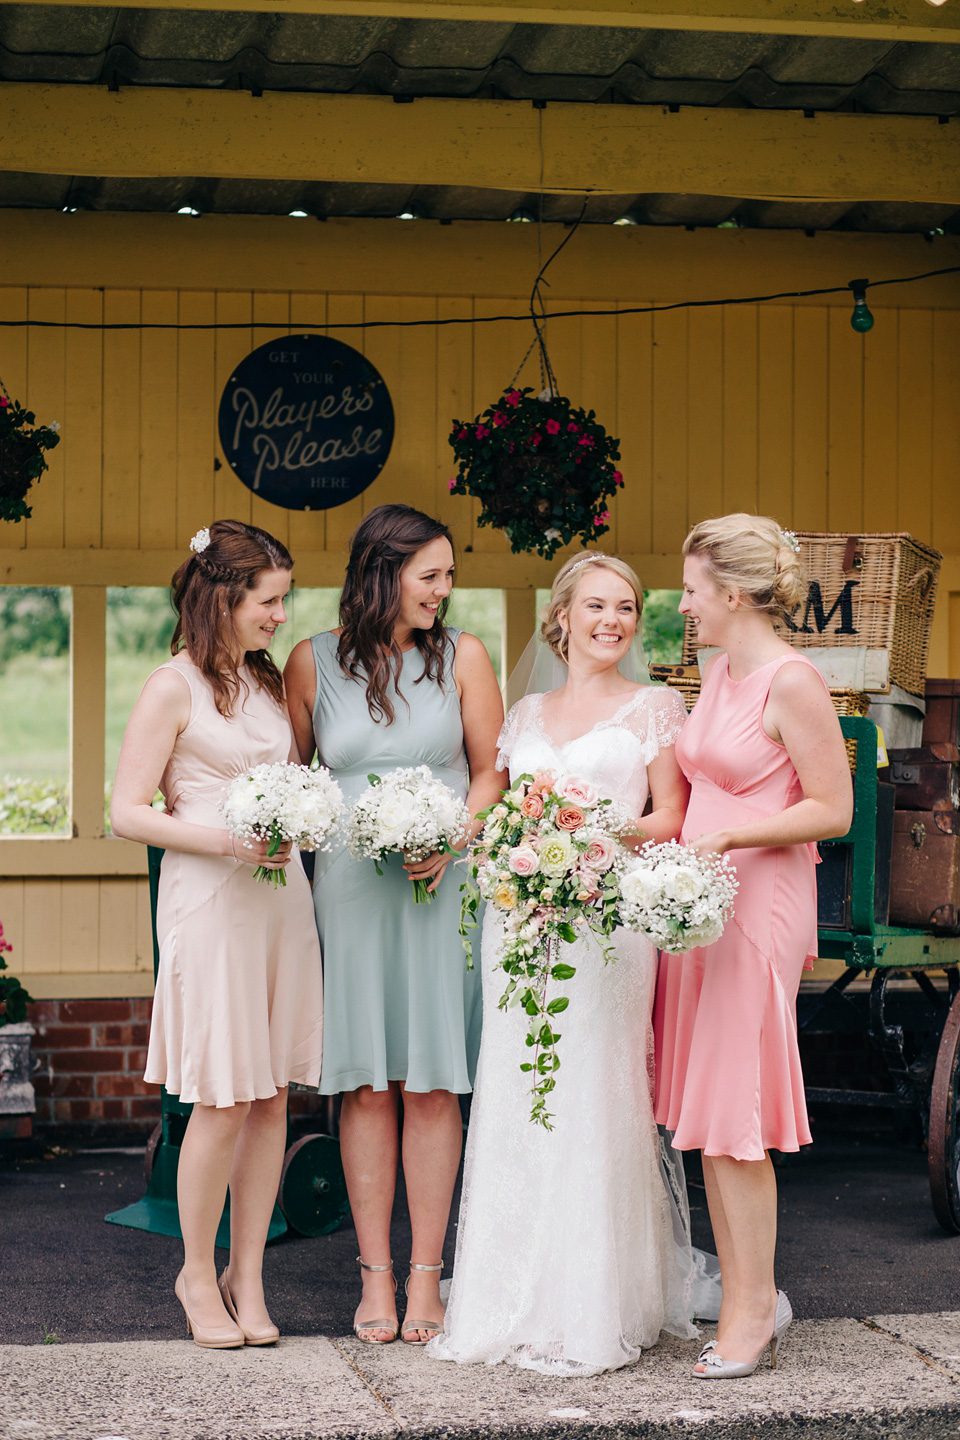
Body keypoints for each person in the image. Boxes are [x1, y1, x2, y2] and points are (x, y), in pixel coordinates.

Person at [429, 551, 712, 1378]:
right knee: (518, 1088)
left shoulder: (655, 706)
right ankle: (510, 1294)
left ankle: (598, 1300)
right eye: (595, 606)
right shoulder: (522, 714)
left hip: (609, 922)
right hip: (527, 925)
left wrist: (591, 841)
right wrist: (518, 850)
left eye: (626, 608)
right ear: (562, 616)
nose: (612, 621)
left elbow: (669, 818)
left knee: (594, 1092)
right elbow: (506, 814)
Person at [284, 503, 505, 1346]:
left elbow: (489, 774)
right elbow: (297, 777)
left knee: (434, 1080)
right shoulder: (311, 661)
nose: (444, 592)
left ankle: (427, 1279)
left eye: (448, 576)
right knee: (366, 1080)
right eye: (431, 576)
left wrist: (452, 836)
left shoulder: (464, 657)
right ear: (382, 572)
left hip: (443, 884)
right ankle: (374, 1275)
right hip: (350, 888)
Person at [111, 519, 323, 1350]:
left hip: (279, 902)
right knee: (222, 1097)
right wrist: (230, 840)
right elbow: (126, 811)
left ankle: (250, 1273)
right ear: (224, 598)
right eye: (269, 600)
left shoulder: (268, 684)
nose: (280, 614)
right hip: (211, 897)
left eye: (283, 599)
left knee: (271, 1094)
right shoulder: (173, 686)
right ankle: (196, 1273)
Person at [654, 514, 853, 1380]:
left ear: (733, 594)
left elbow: (833, 809)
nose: (684, 603)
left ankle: (750, 1317)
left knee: (738, 1119)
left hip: (756, 900)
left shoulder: (793, 680)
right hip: (698, 908)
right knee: (708, 1119)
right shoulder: (716, 671)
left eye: (694, 589)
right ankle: (747, 1298)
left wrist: (731, 843)